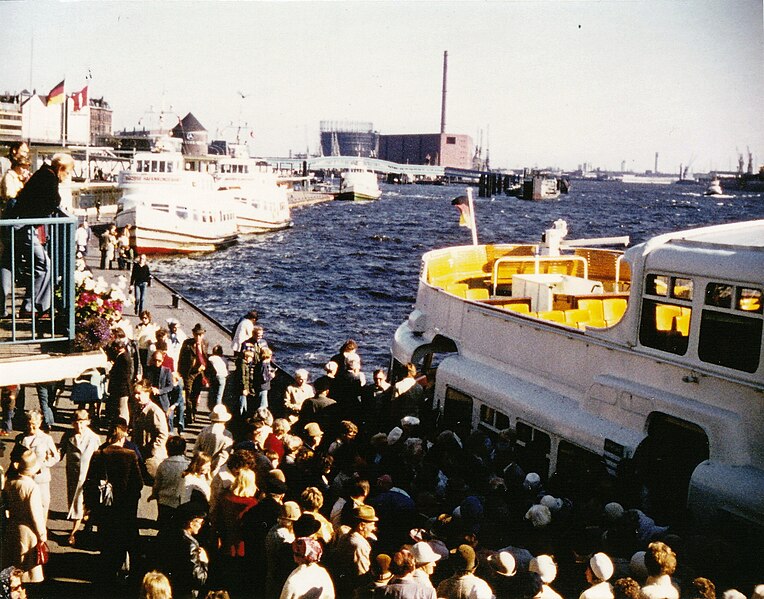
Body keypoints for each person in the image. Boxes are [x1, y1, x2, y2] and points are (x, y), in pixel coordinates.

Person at [7, 153, 74, 317]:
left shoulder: (43, 174)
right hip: (23, 226)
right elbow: (53, 201)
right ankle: (33, 307)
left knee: (23, 264)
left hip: (18, 223)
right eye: (67, 172)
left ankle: (28, 306)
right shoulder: (49, 178)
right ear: (60, 168)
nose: (68, 176)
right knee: (44, 265)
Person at [85, 422, 144, 582]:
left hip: (105, 507)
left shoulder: (99, 454)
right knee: (127, 539)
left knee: (107, 540)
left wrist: (89, 506)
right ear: (122, 437)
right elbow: (138, 483)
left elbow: (89, 483)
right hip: (126, 507)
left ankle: (107, 573)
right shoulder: (130, 455)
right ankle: (127, 573)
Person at [2, 450, 47, 583]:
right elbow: (36, 514)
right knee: (26, 568)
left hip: (12, 527)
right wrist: (42, 535)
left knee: (13, 565)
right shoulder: (32, 487)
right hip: (28, 531)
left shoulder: (10, 482)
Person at [60, 409, 101, 545]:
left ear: (88, 422)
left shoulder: (94, 438)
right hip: (73, 476)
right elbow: (59, 453)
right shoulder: (68, 436)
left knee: (84, 503)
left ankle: (79, 530)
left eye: (82, 422)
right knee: (76, 502)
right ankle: (79, 528)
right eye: (76, 423)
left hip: (89, 476)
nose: (79, 426)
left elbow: (100, 457)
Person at [12, 410, 59, 522]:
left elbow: (55, 457)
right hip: (24, 478)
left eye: (34, 424)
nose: (31, 427)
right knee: (26, 506)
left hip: (41, 478)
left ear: (39, 423)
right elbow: (14, 456)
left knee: (43, 505)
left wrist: (42, 465)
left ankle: (41, 534)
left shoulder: (46, 439)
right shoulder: (20, 438)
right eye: (28, 423)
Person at [0, 143, 30, 319]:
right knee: (5, 262)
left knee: (7, 263)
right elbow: (10, 196)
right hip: (8, 225)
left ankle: (3, 307)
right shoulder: (8, 174)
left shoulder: (17, 176)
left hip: (11, 226)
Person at [158, 502, 209, 599]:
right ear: (191, 523)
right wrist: (205, 562)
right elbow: (198, 579)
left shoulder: (169, 535)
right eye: (200, 522)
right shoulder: (191, 545)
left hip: (171, 587)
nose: (201, 525)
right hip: (187, 593)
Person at [150, 435, 190, 529]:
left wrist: (154, 494)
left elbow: (157, 483)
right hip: (182, 501)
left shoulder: (163, 465)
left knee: (164, 526)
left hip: (165, 500)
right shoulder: (188, 465)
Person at [132, 380, 170, 476]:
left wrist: (153, 450)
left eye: (139, 394)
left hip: (152, 456)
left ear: (147, 393)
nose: (136, 397)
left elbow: (163, 434)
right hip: (140, 451)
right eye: (135, 394)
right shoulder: (137, 408)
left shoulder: (154, 411)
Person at [178, 324, 210, 424]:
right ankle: (189, 415)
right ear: (193, 334)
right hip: (189, 373)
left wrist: (205, 368)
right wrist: (181, 372)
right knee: (188, 394)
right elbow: (181, 358)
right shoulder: (187, 344)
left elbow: (205, 357)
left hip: (200, 373)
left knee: (196, 394)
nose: (198, 337)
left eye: (200, 335)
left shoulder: (205, 343)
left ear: (203, 335)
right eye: (196, 335)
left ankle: (193, 411)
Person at [194, 405, 233, 476]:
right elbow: (224, 455)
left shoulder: (204, 430)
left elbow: (196, 449)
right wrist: (213, 466)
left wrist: (202, 462)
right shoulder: (226, 434)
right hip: (216, 470)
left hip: (201, 466)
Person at [106, 339, 134, 425]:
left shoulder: (124, 358)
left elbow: (123, 374)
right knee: (121, 408)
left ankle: (124, 426)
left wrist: (112, 372)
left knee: (123, 409)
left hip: (122, 388)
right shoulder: (122, 356)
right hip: (122, 388)